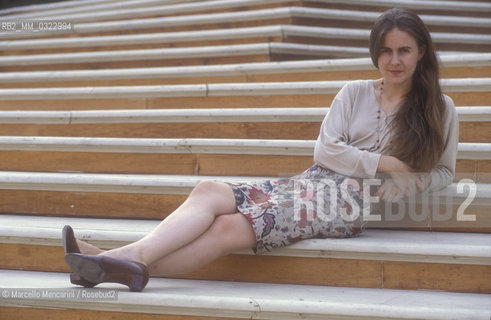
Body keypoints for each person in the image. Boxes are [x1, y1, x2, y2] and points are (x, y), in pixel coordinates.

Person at [63, 8, 458, 292]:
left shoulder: (440, 108)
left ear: (421, 51)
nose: (394, 60)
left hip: (346, 203)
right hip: (312, 181)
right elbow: (325, 151)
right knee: (208, 191)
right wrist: (390, 164)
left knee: (230, 226)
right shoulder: (354, 92)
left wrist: (413, 182)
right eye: (386, 51)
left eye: (404, 50)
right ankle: (124, 261)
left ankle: (110, 259)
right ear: (376, 53)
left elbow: (444, 173)